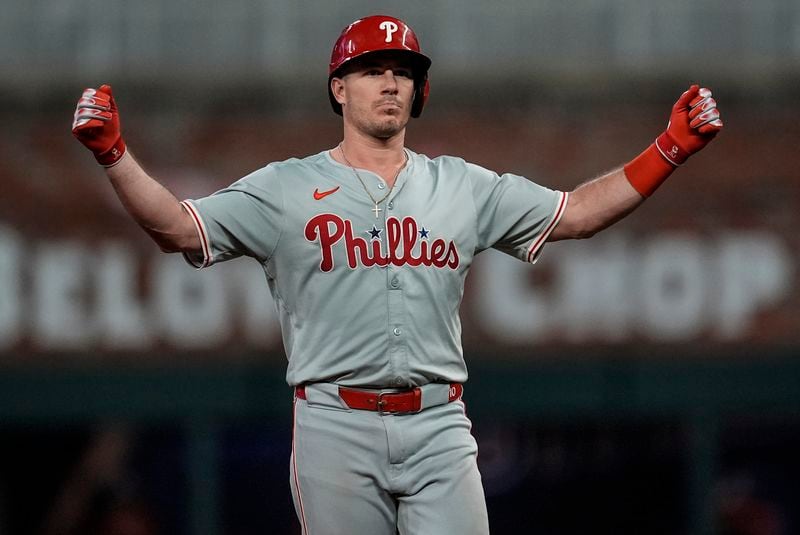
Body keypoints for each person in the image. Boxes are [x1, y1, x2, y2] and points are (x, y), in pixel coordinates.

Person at [71, 14, 722, 535]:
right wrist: (115, 156)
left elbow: (576, 213)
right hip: (335, 422)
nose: (389, 82)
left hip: (438, 422)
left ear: (419, 91)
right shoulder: (288, 188)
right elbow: (179, 228)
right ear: (339, 88)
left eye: (402, 73)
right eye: (373, 70)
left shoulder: (461, 185)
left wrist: (666, 151)